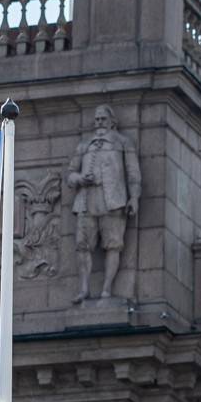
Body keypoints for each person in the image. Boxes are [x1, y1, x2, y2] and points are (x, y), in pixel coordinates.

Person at [66, 104, 141, 303]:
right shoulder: (84, 145)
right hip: (86, 201)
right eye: (97, 119)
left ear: (112, 122)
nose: (99, 122)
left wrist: (133, 197)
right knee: (83, 245)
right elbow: (70, 173)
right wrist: (80, 179)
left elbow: (133, 173)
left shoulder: (123, 142)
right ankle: (84, 288)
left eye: (103, 119)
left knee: (113, 244)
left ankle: (107, 289)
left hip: (113, 201)